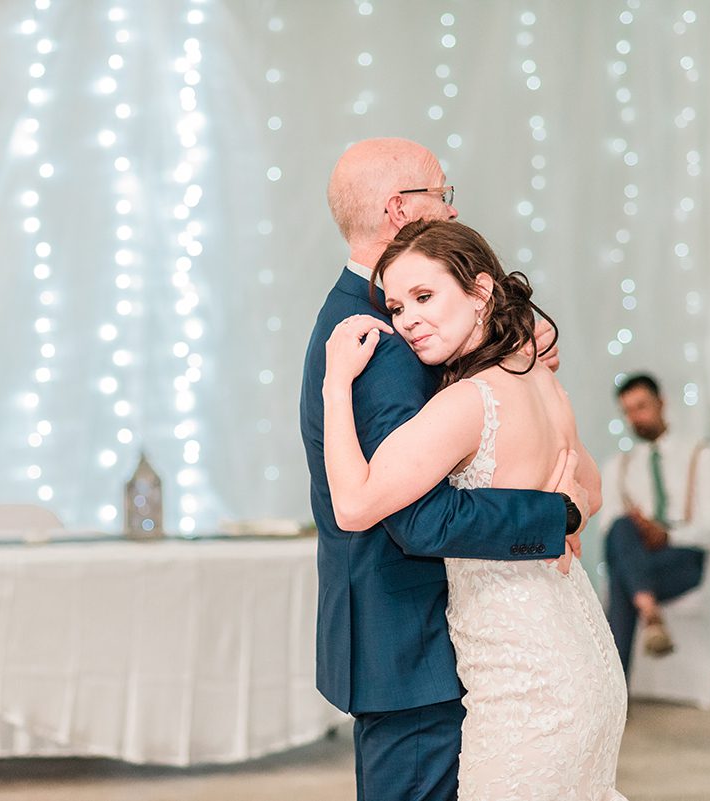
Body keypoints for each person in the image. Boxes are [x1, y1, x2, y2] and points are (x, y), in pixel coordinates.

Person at [298, 138, 588, 801]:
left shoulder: (375, 315)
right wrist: (556, 513)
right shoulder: (385, 340)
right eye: (442, 195)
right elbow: (417, 514)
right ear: (401, 210)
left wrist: (513, 349)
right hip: (414, 646)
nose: (453, 211)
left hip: (415, 640)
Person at [599, 374, 710, 675]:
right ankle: (650, 611)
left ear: (661, 402)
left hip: (683, 559)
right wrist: (641, 528)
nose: (635, 418)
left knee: (621, 577)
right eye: (627, 411)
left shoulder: (700, 454)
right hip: (640, 556)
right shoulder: (618, 465)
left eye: (641, 407)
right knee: (620, 526)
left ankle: (616, 696)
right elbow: (608, 530)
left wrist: (666, 535)